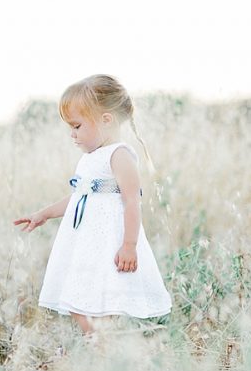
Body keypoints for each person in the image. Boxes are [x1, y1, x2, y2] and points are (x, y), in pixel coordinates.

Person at [14, 74, 172, 337]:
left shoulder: (119, 156)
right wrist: (43, 214)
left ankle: (102, 344)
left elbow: (132, 201)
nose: (72, 135)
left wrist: (129, 245)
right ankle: (97, 340)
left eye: (77, 126)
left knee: (104, 296)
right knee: (77, 294)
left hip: (110, 239)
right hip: (85, 241)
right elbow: (80, 197)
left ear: (106, 120)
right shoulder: (90, 158)